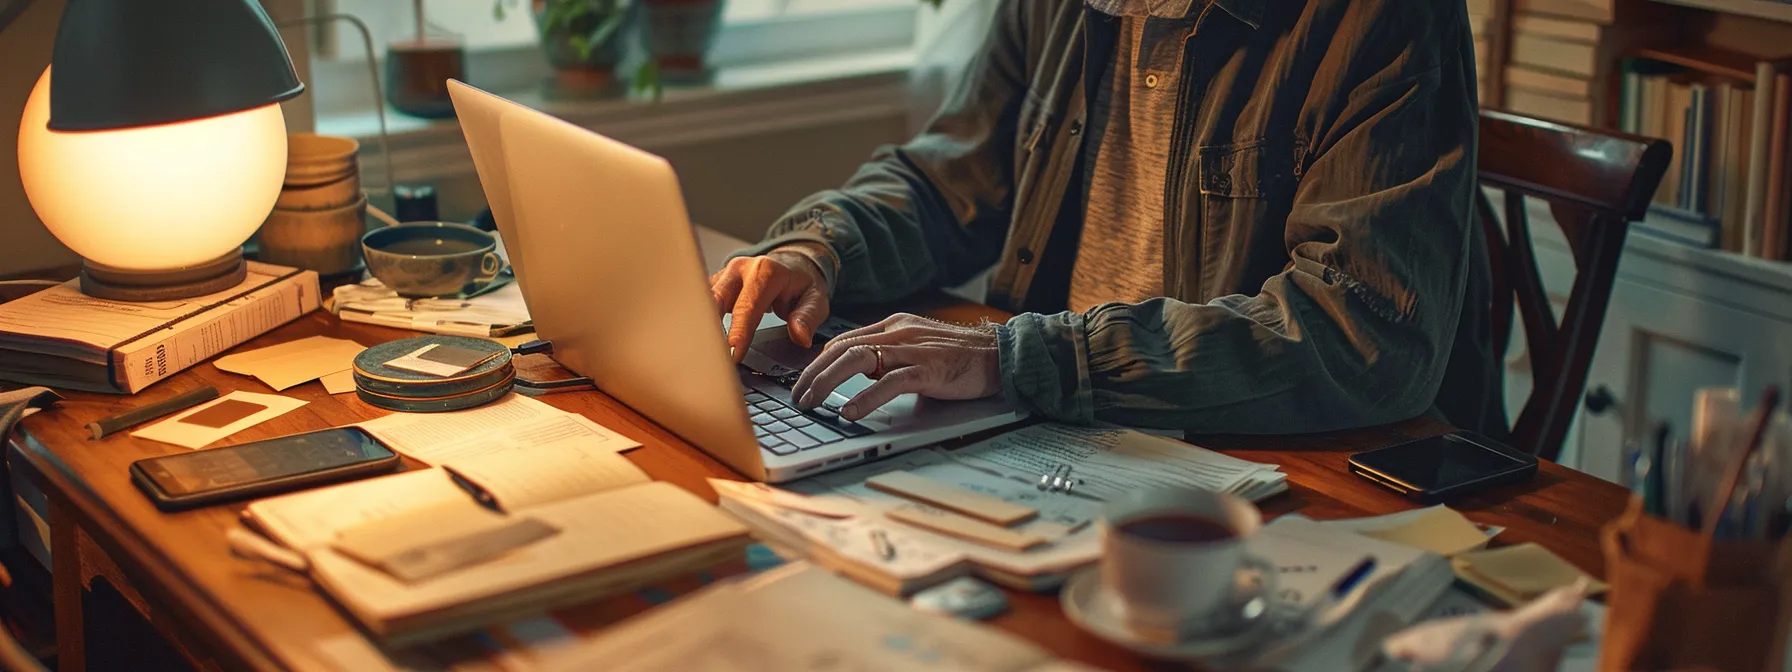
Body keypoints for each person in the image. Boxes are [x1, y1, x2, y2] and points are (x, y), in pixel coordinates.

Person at [710, 0, 1504, 438]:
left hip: (1269, 469)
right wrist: (820, 247)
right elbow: (952, 178)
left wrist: (1018, 359)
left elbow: (1360, 334)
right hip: (1061, 428)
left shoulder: (1383, 18)